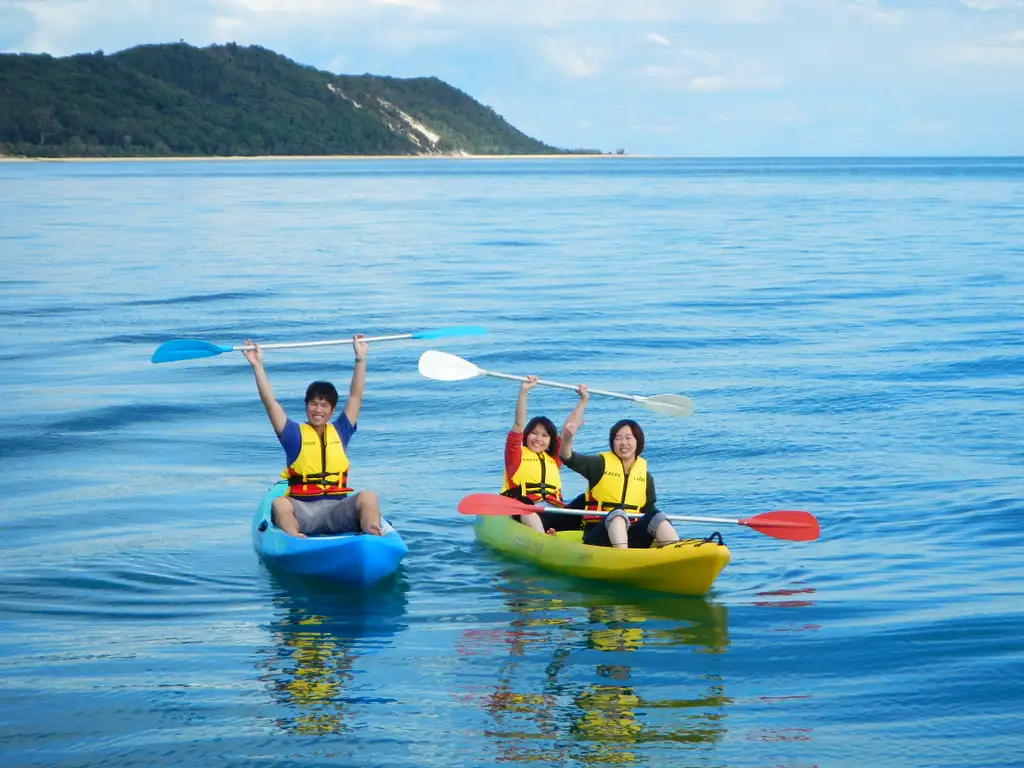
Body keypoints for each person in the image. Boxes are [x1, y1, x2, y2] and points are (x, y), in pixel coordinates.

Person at [243, 334, 383, 538]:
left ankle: (371, 533)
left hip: (337, 510)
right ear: (306, 406)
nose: (318, 410)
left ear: (332, 409)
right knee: (279, 503)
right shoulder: (292, 434)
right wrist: (257, 365)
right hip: (303, 512)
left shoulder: (341, 430)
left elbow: (355, 395)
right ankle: (294, 537)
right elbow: (270, 402)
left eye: (324, 405)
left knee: (368, 497)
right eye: (314, 404)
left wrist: (360, 358)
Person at [559, 412, 679, 549]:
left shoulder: (646, 477)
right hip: (599, 536)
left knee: (657, 516)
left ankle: (677, 552)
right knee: (617, 515)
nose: (623, 443)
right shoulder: (599, 465)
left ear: (638, 441)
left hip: (632, 536)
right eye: (618, 438)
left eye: (629, 438)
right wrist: (567, 439)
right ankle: (622, 556)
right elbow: (568, 458)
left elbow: (648, 511)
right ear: (612, 442)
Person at [501, 376, 589, 534]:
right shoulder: (515, 455)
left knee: (586, 498)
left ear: (550, 440)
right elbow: (519, 424)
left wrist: (583, 400)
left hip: (555, 514)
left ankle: (589, 535)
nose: (538, 439)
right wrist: (523, 392)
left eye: (544, 435)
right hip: (527, 514)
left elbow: (568, 427)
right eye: (534, 433)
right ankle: (543, 538)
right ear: (526, 435)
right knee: (523, 502)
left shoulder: (553, 459)